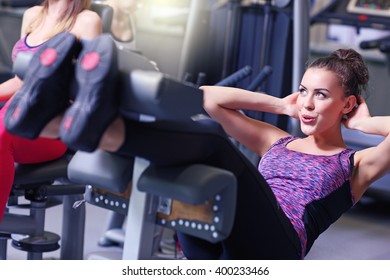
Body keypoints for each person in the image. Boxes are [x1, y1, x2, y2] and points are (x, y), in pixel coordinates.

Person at [5, 43, 390, 259]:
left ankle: (91, 125)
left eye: (320, 95)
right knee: (195, 127)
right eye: (304, 91)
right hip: (219, 220)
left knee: (216, 147)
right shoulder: (278, 140)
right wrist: (281, 104)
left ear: (348, 104)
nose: (306, 103)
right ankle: (58, 119)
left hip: (277, 245)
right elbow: (205, 99)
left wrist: (362, 126)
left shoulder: (357, 164)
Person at [0, 0, 102, 221]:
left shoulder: (87, 21)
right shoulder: (32, 15)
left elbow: (88, 88)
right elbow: (20, 80)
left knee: (2, 133)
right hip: (15, 111)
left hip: (51, 123)